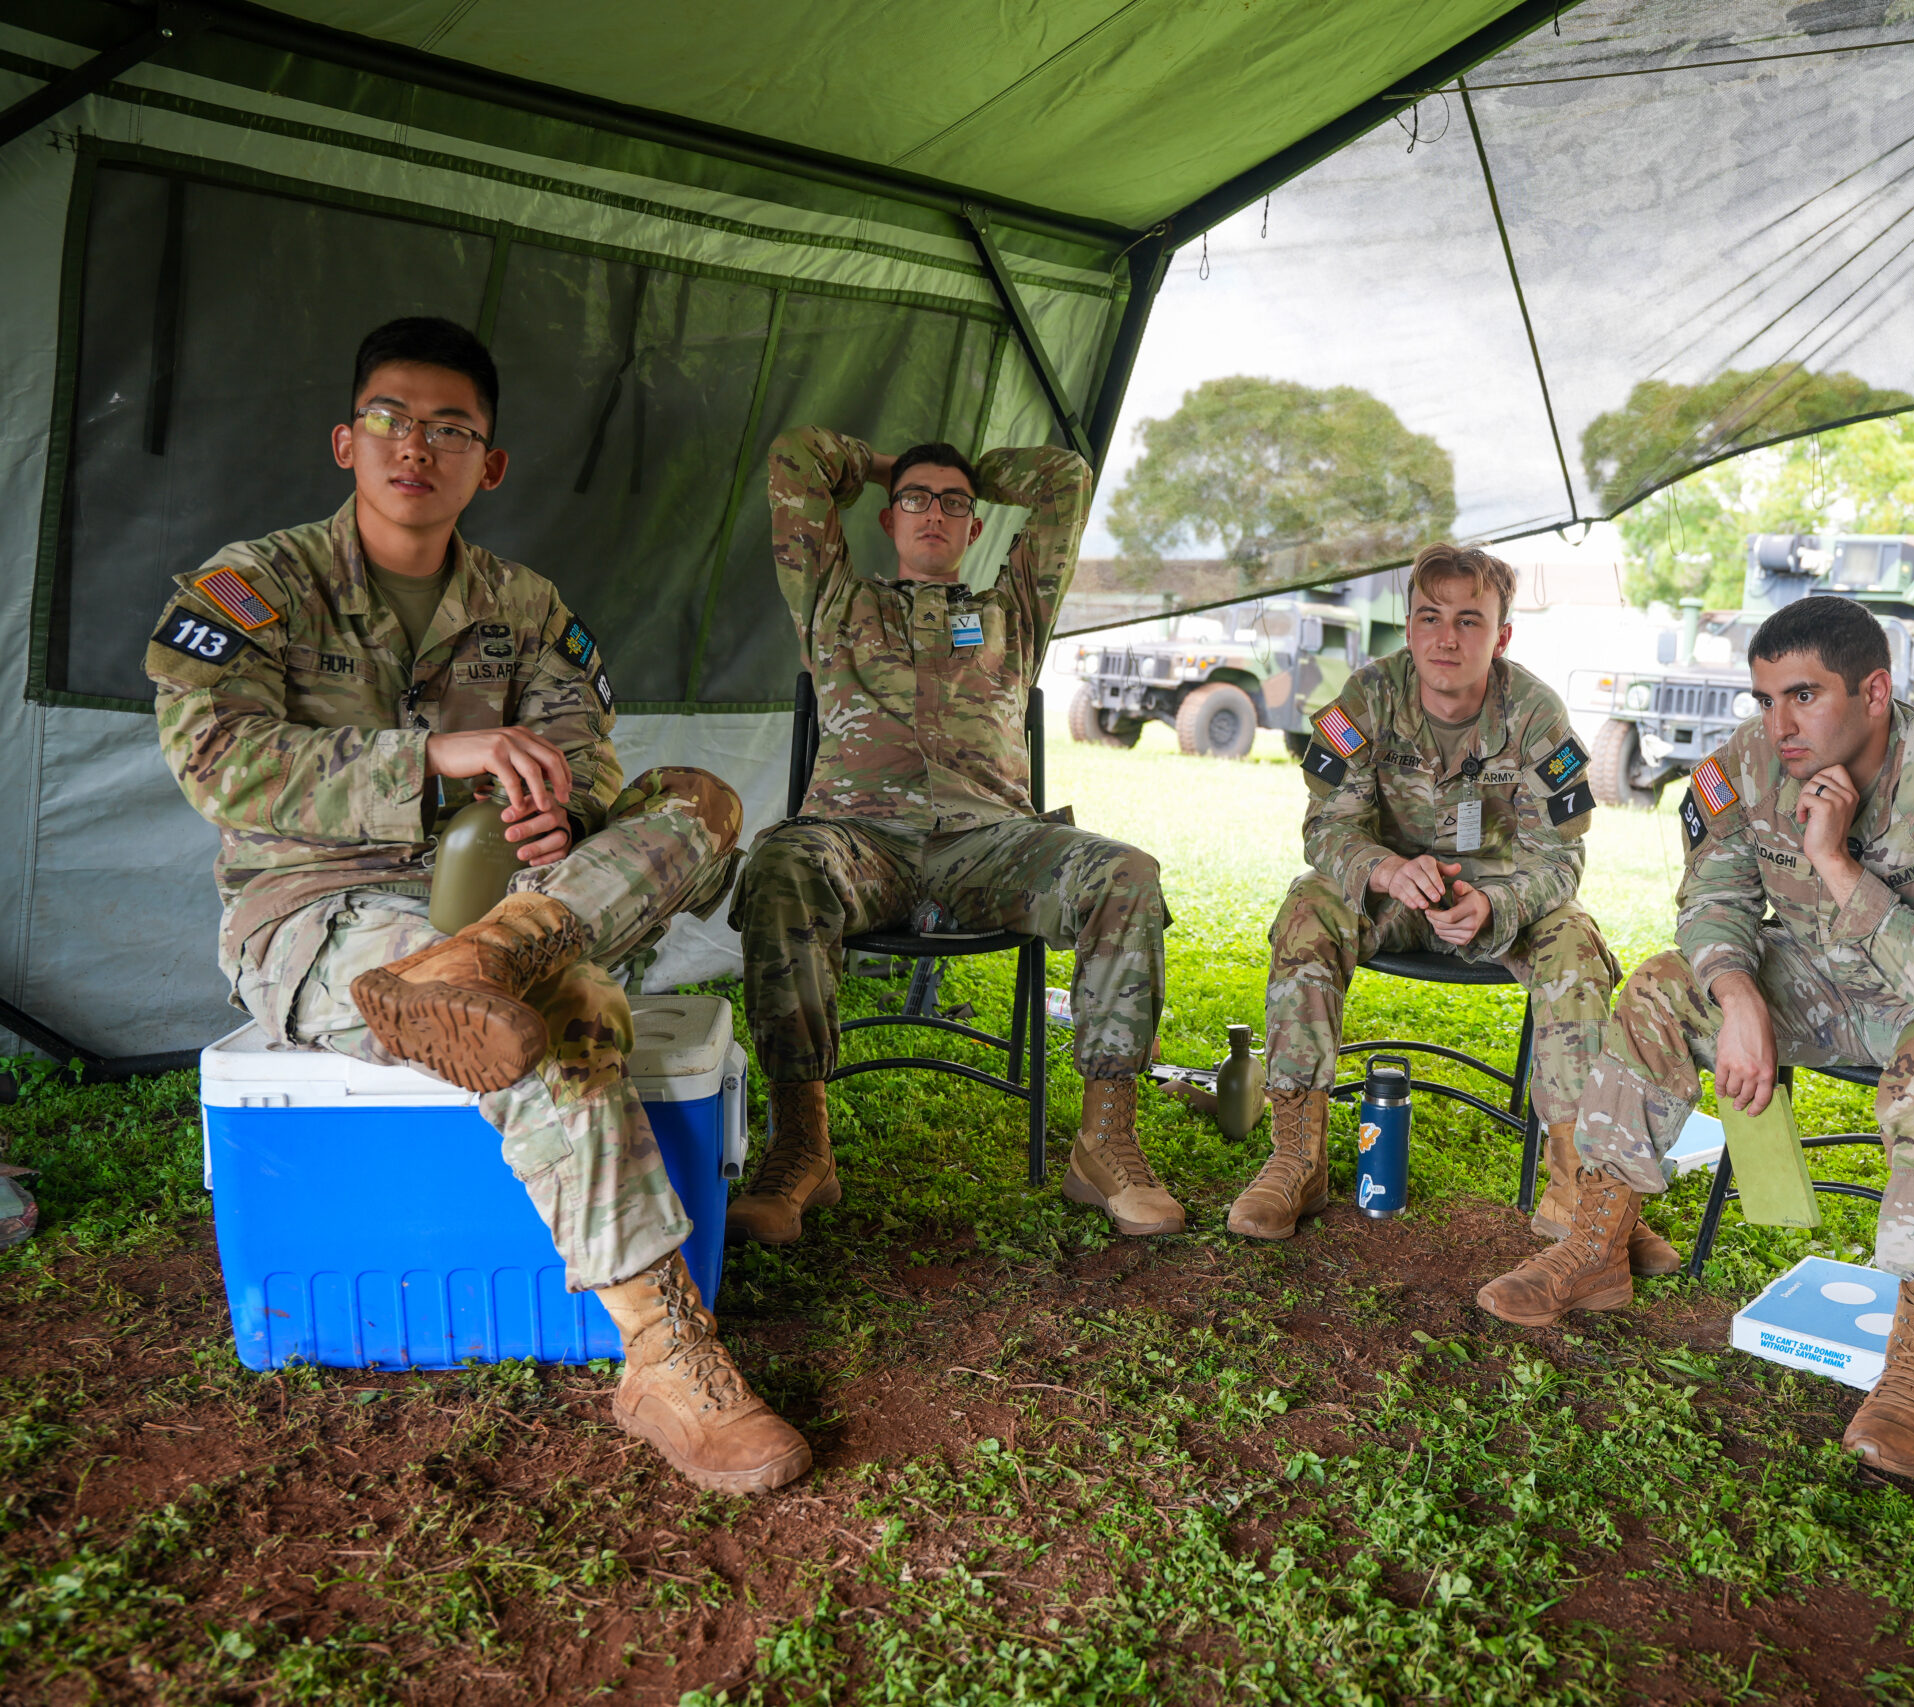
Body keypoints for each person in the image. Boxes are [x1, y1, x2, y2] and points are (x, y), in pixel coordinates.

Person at [145, 317, 805, 1494]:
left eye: (451, 429)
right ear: (347, 441)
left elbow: (584, 760)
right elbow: (218, 760)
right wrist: (431, 757)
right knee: (563, 1006)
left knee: (696, 801)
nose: (417, 447)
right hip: (320, 909)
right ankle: (665, 1353)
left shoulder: (525, 606)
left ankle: (491, 957)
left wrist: (566, 815)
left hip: (508, 897)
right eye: (391, 420)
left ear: (487, 464)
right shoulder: (256, 586)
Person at [1477, 595, 1914, 1477]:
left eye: (1804, 695)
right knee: (1662, 988)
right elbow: (1713, 898)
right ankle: (1597, 1242)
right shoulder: (1746, 764)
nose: (1780, 724)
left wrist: (1835, 861)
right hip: (1828, 973)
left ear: (1874, 692)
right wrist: (1738, 995)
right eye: (1766, 699)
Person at [729, 428, 1176, 1241]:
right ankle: (803, 1146)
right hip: (859, 842)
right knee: (780, 861)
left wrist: (961, 475)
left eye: (953, 503)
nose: (933, 513)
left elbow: (1064, 478)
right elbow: (795, 456)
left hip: (991, 846)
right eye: (915, 500)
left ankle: (1104, 1144)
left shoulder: (1013, 609)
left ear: (975, 526)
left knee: (1128, 873)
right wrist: (884, 466)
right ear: (887, 519)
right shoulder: (835, 599)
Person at [1227, 543, 1675, 1270]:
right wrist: (1383, 868)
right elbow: (1326, 828)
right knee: (1310, 907)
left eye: (1469, 620)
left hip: (1503, 902)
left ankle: (1582, 1191)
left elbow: (1560, 858)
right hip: (1392, 893)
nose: (1446, 637)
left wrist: (1497, 904)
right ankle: (1295, 1159)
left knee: (1576, 943)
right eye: (1429, 617)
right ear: (1408, 626)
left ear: (1501, 636)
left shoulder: (1534, 713)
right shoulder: (1367, 698)